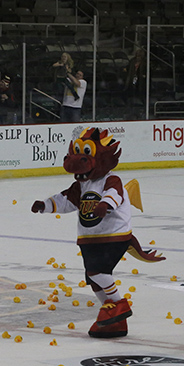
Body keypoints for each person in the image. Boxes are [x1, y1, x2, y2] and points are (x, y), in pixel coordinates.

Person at [31, 127, 165, 338]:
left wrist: (105, 204)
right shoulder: (81, 185)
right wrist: (45, 205)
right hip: (90, 239)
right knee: (93, 280)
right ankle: (113, 316)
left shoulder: (111, 180)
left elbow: (115, 194)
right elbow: (65, 200)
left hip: (114, 235)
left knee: (97, 272)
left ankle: (119, 304)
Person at [123, 48, 147, 116]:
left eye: (140, 56)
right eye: (137, 56)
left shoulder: (145, 63)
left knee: (140, 96)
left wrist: (143, 76)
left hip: (141, 83)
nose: (138, 57)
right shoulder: (132, 61)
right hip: (131, 81)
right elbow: (127, 68)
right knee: (130, 95)